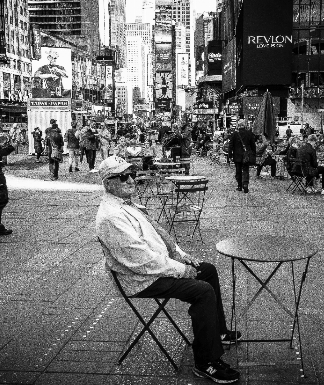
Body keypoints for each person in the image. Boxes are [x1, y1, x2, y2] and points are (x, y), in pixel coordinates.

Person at [95, 156, 241, 384]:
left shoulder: (125, 204)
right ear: (108, 183)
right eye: (123, 176)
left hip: (153, 266)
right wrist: (181, 269)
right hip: (139, 278)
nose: (131, 179)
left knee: (208, 270)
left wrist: (182, 256)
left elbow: (158, 239)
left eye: (131, 174)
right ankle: (206, 362)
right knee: (202, 291)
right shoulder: (111, 217)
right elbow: (141, 261)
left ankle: (217, 333)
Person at [228, 119, 256, 193]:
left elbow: (230, 146)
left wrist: (230, 155)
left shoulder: (234, 134)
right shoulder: (249, 133)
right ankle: (245, 184)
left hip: (237, 156)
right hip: (246, 156)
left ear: (238, 125)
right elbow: (253, 145)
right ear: (244, 125)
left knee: (238, 171)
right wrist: (253, 154)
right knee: (246, 170)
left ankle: (239, 186)